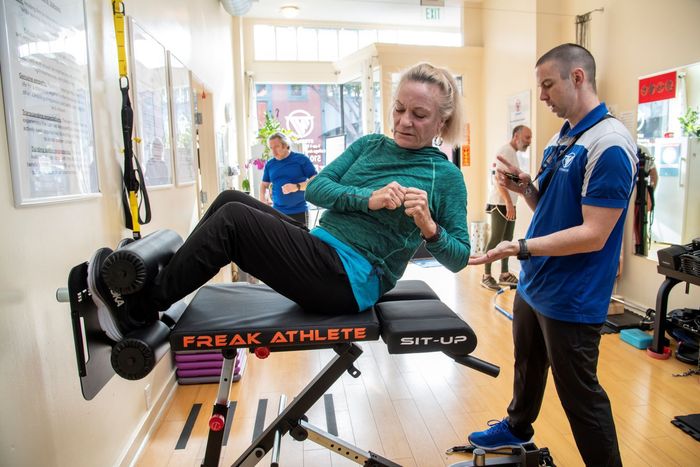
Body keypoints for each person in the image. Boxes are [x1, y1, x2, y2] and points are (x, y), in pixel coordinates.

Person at [88, 62, 470, 343]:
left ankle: (139, 307)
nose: (404, 121)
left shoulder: (445, 177)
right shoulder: (370, 145)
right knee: (230, 199)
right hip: (323, 248)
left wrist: (429, 228)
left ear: (442, 121)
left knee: (234, 222)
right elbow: (317, 189)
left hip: (351, 280)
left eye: (419, 115)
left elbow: (458, 258)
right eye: (399, 109)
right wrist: (367, 199)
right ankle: (160, 282)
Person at [467, 44, 636, 467]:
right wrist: (526, 188)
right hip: (536, 281)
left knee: (579, 395)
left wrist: (519, 246)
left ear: (577, 77)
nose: (542, 96)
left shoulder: (610, 144)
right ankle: (517, 425)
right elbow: (550, 209)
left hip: (572, 295)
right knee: (527, 365)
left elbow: (593, 234)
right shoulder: (563, 137)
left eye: (547, 84)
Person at [481, 125, 532, 290]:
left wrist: (513, 203)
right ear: (516, 136)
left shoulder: (513, 153)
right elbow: (498, 179)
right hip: (500, 203)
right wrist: (509, 203)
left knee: (507, 239)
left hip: (509, 204)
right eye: (527, 138)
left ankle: (504, 274)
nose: (529, 142)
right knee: (496, 239)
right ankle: (486, 275)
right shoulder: (505, 151)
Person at [259, 132, 317, 225]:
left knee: (300, 239)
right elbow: (264, 184)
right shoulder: (270, 164)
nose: (273, 151)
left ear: (286, 145)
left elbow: (315, 181)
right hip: (277, 212)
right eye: (271, 148)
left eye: (276, 147)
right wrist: (263, 199)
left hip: (299, 211)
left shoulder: (301, 159)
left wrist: (296, 187)